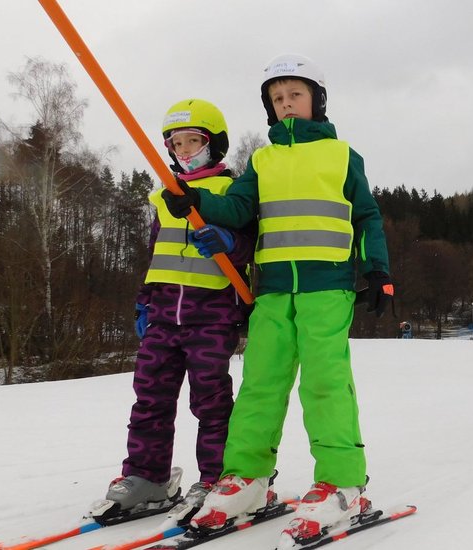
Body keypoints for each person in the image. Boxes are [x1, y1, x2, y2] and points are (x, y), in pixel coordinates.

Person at [161, 54, 393, 546]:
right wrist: (198, 200)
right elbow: (238, 208)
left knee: (325, 384)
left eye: (295, 96)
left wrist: (379, 272)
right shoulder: (261, 161)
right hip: (271, 290)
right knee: (259, 383)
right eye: (277, 99)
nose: (286, 106)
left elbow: (367, 217)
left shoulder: (343, 156)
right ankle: (246, 478)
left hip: (327, 287)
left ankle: (342, 482)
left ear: (317, 100)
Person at [100, 99, 255, 525]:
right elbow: (157, 253)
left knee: (211, 401)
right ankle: (148, 476)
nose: (184, 151)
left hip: (212, 315)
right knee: (149, 398)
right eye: (176, 143)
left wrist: (228, 241)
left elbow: (250, 248)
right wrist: (143, 298)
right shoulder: (166, 196)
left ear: (215, 144)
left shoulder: (234, 192)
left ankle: (217, 478)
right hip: (164, 316)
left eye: (194, 141)